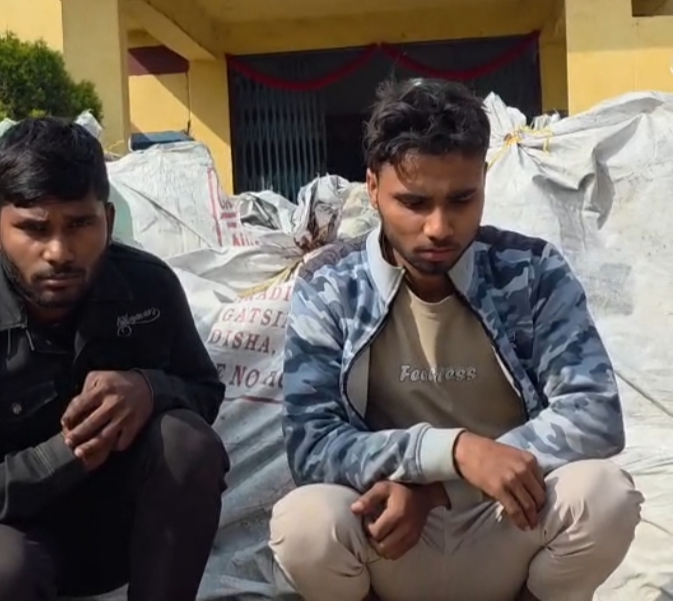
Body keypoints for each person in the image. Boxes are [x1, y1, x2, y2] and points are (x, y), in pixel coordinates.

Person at [270, 78, 643, 601]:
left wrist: (440, 491)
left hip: (507, 517)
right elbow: (312, 444)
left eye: (462, 199)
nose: (439, 227)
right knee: (305, 524)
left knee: (604, 495)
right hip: (392, 529)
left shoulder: (530, 272)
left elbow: (594, 412)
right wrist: (454, 451)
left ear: (483, 181)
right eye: (414, 202)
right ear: (372, 187)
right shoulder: (332, 284)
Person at [0, 116, 229, 601]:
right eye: (34, 228)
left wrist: (149, 389)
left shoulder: (149, 288)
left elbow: (205, 390)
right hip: (3, 538)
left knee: (187, 443)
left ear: (108, 220)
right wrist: (58, 459)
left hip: (119, 535)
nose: (59, 252)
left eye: (80, 224)